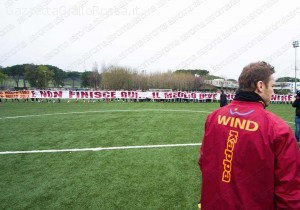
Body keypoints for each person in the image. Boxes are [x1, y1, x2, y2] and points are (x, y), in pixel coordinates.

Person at [198, 61, 300, 209]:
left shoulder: (214, 117)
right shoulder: (278, 129)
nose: (273, 92)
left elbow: (204, 162)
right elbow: (289, 191)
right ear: (260, 86)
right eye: (272, 86)